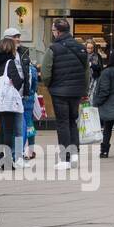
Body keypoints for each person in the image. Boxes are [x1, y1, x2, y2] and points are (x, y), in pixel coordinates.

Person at [42, 17, 88, 169]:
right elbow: (86, 71)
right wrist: (84, 90)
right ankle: (74, 155)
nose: (53, 33)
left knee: (62, 124)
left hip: (59, 92)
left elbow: (46, 72)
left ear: (58, 31)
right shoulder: (81, 47)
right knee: (72, 122)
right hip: (76, 92)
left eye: (53, 30)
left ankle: (65, 159)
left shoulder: (53, 49)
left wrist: (49, 86)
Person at [0, 33, 27, 171]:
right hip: (8, 102)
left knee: (1, 131)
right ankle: (7, 161)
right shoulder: (10, 62)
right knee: (9, 131)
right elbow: (18, 82)